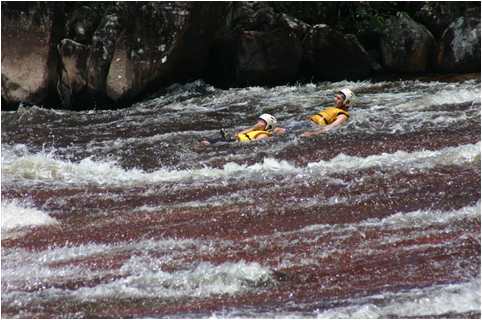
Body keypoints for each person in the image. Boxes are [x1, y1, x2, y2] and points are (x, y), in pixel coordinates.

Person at [197, 113, 286, 146]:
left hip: (235, 143)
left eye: (262, 122)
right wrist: (253, 128)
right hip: (233, 139)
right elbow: (240, 134)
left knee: (210, 143)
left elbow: (255, 142)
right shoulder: (253, 130)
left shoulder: (264, 134)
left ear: (268, 126)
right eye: (259, 120)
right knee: (206, 140)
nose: (258, 122)